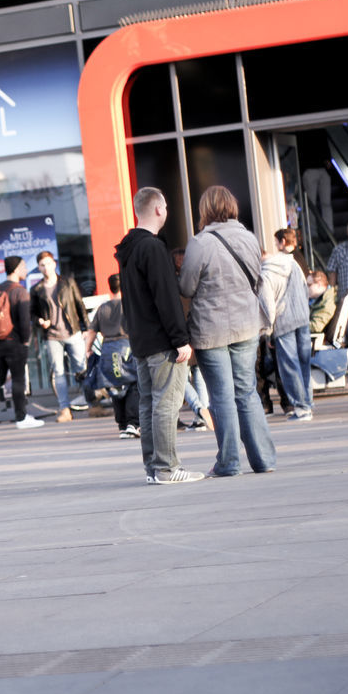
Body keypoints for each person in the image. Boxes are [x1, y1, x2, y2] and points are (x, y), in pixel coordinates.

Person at [179, 185, 277, 478]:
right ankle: (263, 459)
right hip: (247, 325)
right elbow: (257, 277)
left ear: (205, 210)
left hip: (211, 330)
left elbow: (186, 287)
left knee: (221, 396)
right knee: (247, 391)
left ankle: (229, 462)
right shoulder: (249, 237)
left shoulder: (200, 243)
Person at [116, 186, 203, 484]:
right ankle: (166, 468)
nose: (166, 211)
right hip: (162, 341)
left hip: (141, 340)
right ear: (157, 209)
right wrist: (180, 338)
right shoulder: (152, 248)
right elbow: (166, 297)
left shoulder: (127, 250)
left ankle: (154, 468)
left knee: (149, 403)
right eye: (165, 206)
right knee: (167, 403)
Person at [0, 256, 44, 430]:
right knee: (18, 379)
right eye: (23, 266)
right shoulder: (20, 291)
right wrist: (25, 341)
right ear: (15, 269)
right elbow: (24, 321)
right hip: (14, 342)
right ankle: (21, 417)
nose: (25, 270)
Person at [30, 250, 90, 421]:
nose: (46, 267)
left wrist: (87, 328)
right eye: (42, 265)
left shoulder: (67, 283)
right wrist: (40, 321)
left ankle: (93, 403)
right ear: (39, 268)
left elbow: (80, 305)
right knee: (58, 372)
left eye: (48, 263)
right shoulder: (37, 289)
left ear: (54, 264)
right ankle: (64, 409)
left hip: (72, 332)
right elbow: (32, 314)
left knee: (81, 369)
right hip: (52, 336)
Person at [262, 228, 314, 420]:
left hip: (283, 321)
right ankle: (307, 402)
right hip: (302, 316)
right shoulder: (294, 263)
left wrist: (268, 331)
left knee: (289, 364)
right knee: (303, 362)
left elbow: (268, 305)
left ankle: (301, 407)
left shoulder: (266, 273)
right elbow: (305, 288)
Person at [84, 272, 140, 438]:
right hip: (127, 347)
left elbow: (92, 331)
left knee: (114, 385)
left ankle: (122, 424)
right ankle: (133, 423)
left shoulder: (103, 308)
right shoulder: (129, 304)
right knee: (132, 384)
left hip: (107, 348)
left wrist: (88, 350)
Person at [307, 270, 337, 334]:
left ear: (318, 285)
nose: (306, 288)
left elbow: (316, 327)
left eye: (309, 285)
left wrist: (295, 325)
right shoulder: (319, 299)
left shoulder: (327, 303)